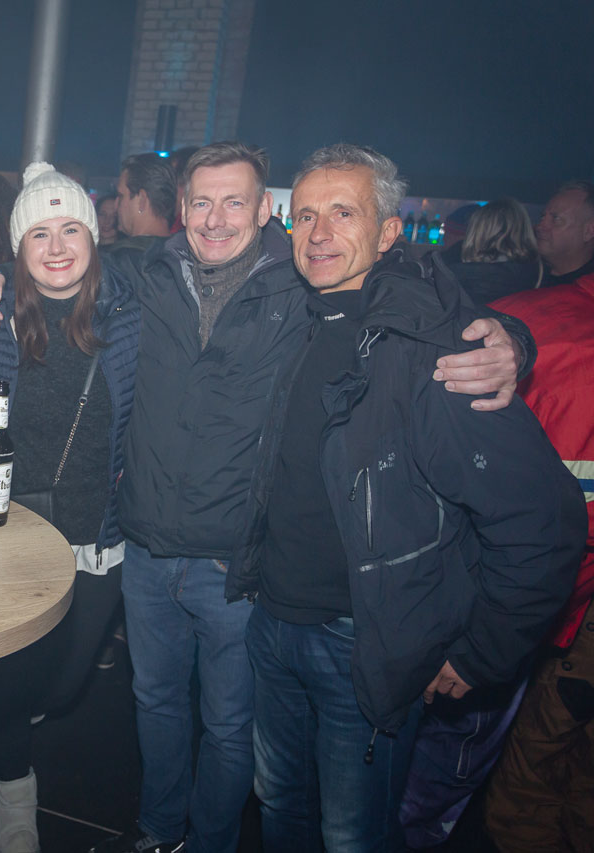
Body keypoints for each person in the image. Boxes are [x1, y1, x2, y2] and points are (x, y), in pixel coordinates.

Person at [0, 141, 530, 853]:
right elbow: (56, 264)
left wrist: (512, 338)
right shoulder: (147, 273)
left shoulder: (303, 283)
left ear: (266, 209)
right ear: (181, 208)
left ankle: (208, 842)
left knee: (231, 727)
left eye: (235, 201)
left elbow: (417, 293)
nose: (216, 218)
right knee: (155, 704)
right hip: (145, 546)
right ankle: (158, 834)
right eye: (202, 201)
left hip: (232, 563)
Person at [227, 142, 585, 852]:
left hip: (366, 644)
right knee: (279, 809)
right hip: (272, 622)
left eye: (343, 213)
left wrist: (480, 654)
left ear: (389, 231)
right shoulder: (293, 318)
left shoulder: (437, 353)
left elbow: (544, 524)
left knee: (351, 836)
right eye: (305, 215)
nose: (319, 232)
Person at [0, 162, 139, 853]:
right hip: (6, 530)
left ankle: (2, 720)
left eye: (71, 229)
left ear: (95, 238)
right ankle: (15, 792)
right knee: (9, 679)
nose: (58, 246)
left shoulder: (130, 312)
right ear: (18, 247)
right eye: (40, 233)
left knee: (61, 688)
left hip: (97, 532)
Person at [484, 272, 594, 853]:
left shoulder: (531, 319)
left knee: (529, 787)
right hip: (551, 606)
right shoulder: (525, 321)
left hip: (544, 610)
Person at [437, 197, 543, 305]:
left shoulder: (451, 277)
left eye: (446, 232)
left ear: (475, 233)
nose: (444, 238)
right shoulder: (539, 275)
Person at [537, 179, 594, 286]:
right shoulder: (522, 276)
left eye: (556, 219)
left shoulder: (588, 291)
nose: (540, 227)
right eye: (542, 217)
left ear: (589, 231)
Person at [113, 153, 175, 242]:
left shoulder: (126, 250)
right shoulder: (182, 249)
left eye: (121, 196)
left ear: (142, 200)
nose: (115, 206)